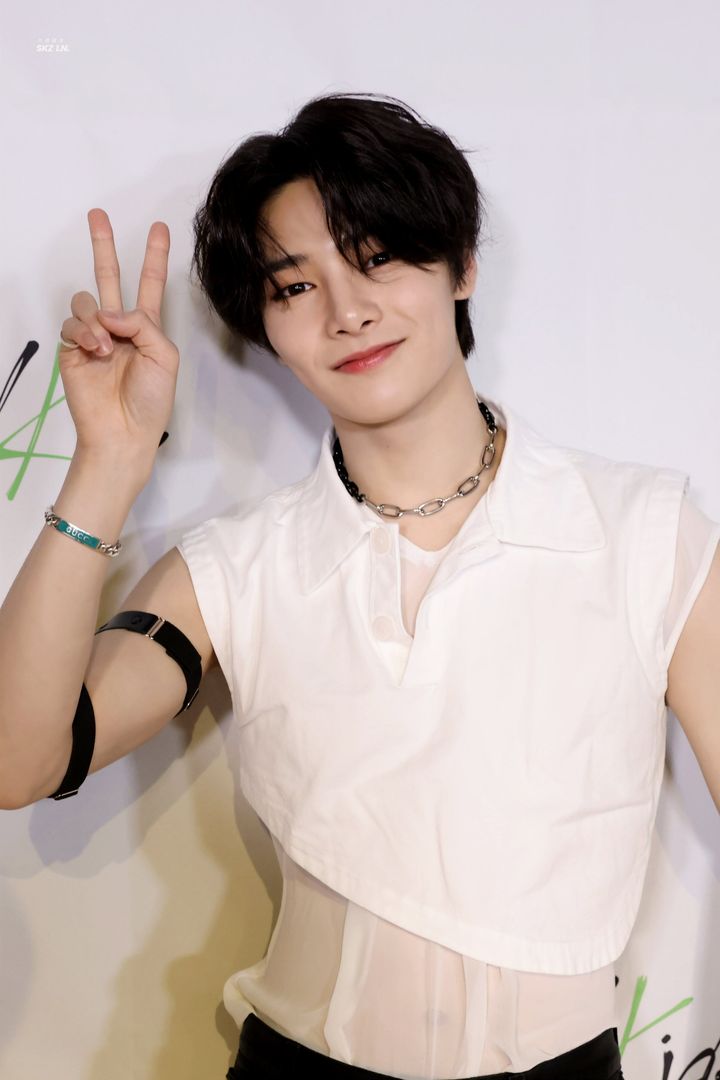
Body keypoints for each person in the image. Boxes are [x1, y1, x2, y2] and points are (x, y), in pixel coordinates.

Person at [0, 91, 718, 1080]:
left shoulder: (644, 531)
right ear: (265, 325)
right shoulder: (232, 568)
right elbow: (19, 762)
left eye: (377, 256)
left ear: (462, 263)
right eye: (296, 286)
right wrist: (108, 464)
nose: (348, 312)